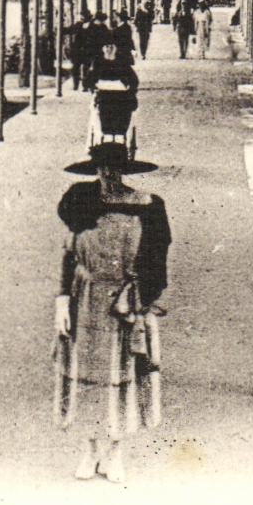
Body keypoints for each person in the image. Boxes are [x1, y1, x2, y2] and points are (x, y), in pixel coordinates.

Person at [54, 142, 171, 483]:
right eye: (102, 168)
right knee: (85, 376)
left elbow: (157, 261)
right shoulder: (79, 201)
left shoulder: (147, 207)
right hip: (85, 299)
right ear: (95, 170)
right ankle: (90, 449)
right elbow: (69, 253)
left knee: (123, 377)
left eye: (115, 168)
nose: (108, 175)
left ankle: (116, 451)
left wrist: (141, 299)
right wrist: (62, 299)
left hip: (125, 303)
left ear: (125, 170)